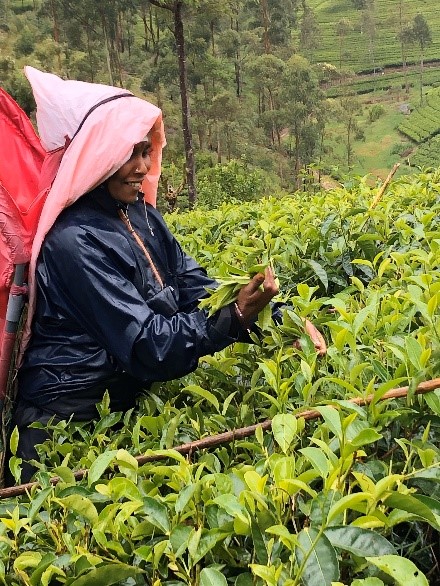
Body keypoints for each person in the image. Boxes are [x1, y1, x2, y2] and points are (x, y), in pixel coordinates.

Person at [8, 67, 326, 484]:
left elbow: (196, 287)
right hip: (61, 429)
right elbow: (145, 343)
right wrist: (234, 317)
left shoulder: (142, 216)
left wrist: (280, 319)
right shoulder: (73, 242)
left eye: (146, 151)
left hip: (117, 408)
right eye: (131, 153)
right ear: (97, 155)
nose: (144, 166)